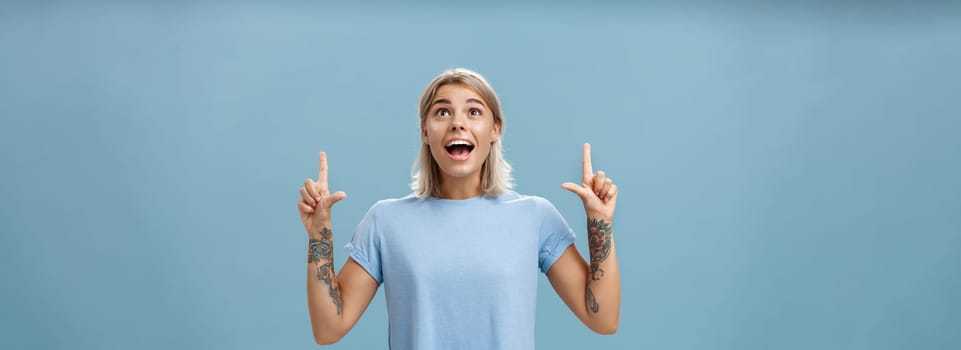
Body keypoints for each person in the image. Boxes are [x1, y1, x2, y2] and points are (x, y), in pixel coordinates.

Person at [298, 68, 620, 349]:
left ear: (495, 130)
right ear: (425, 132)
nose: (458, 123)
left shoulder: (536, 217)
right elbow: (329, 329)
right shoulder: (386, 221)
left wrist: (599, 223)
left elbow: (602, 318)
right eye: (442, 112)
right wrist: (318, 236)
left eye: (474, 112)